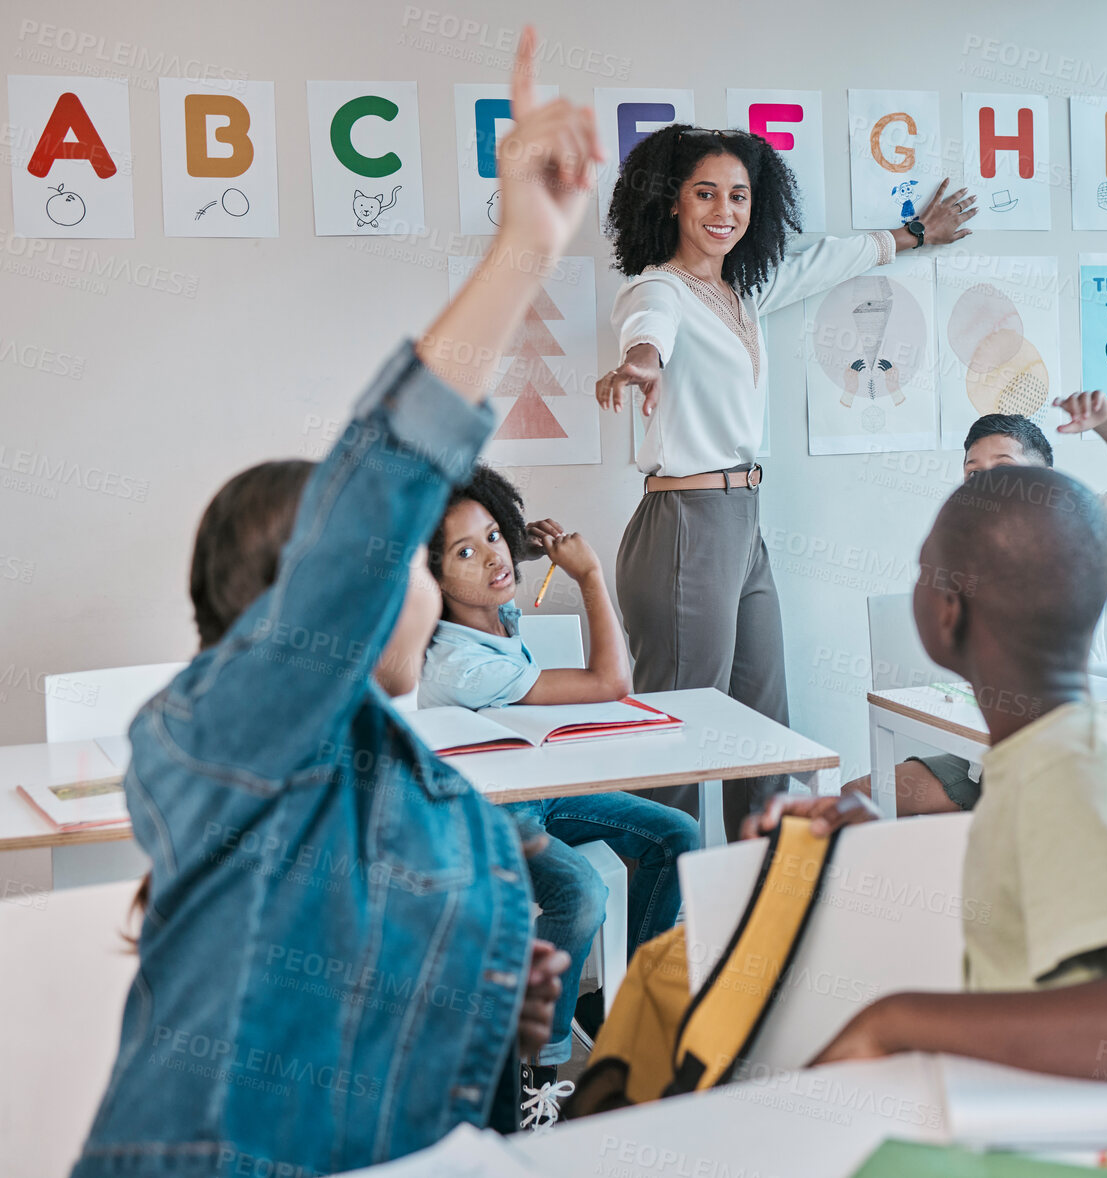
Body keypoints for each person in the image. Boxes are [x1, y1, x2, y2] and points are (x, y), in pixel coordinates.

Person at [73, 29, 600, 1173]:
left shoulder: (421, 790)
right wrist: (521, 249)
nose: (417, 573)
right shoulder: (224, 733)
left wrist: (490, 997)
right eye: (406, 558)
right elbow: (371, 509)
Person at [595, 126, 975, 832]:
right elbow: (646, 326)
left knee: (764, 728)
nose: (723, 210)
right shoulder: (658, 289)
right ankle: (663, 908)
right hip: (684, 524)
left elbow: (825, 262)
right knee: (678, 735)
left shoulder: (741, 291)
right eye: (704, 192)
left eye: (738, 195)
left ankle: (768, 890)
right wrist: (643, 361)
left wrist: (914, 233)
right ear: (670, 203)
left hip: (742, 522)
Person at [810, 466, 1107, 1081]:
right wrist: (880, 840)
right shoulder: (1068, 746)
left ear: (949, 611)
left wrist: (895, 1020)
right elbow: (1031, 883)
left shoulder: (1070, 766)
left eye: (923, 571)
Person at [419, 463, 699, 1097]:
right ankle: (534, 1065)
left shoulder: (496, 617)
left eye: (494, 535)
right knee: (579, 893)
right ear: (433, 574)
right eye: (466, 551)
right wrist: (591, 575)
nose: (494, 558)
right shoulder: (457, 660)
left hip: (533, 790)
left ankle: (629, 1015)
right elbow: (609, 684)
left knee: (676, 835)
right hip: (484, 812)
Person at [849, 389, 1107, 814]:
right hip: (982, 758)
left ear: (1048, 478)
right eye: (973, 473)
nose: (987, 485)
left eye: (1004, 469)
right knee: (853, 799)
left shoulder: (1073, 528)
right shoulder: (963, 543)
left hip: (1060, 752)